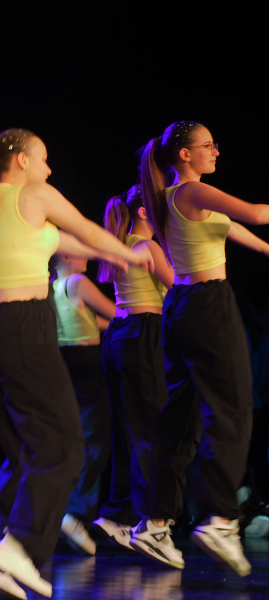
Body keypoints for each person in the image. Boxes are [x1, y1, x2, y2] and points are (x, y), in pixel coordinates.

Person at [0, 128, 153, 599]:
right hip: (21, 326)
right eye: (43, 159)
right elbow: (85, 229)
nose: (49, 169)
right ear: (22, 161)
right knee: (65, 444)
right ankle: (20, 548)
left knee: (26, 449)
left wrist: (110, 253)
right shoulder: (34, 194)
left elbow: (65, 241)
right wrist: (129, 253)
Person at [130, 120, 269, 577]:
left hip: (182, 307)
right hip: (208, 306)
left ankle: (155, 522)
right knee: (232, 408)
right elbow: (257, 212)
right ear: (184, 154)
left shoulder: (174, 197)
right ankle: (221, 517)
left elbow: (236, 230)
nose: (216, 151)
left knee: (180, 419)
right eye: (207, 145)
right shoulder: (192, 190)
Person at [92, 186, 173, 551]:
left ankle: (118, 514)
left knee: (126, 429)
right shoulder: (147, 247)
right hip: (144, 332)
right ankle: (148, 518)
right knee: (152, 428)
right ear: (144, 212)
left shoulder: (118, 244)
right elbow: (177, 290)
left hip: (119, 334)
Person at [51, 253, 115, 556]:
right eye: (79, 251)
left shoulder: (53, 285)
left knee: (68, 439)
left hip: (63, 361)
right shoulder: (77, 281)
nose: (87, 256)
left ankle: (56, 511)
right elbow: (114, 311)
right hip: (86, 363)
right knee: (94, 438)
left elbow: (89, 318)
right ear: (65, 256)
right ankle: (75, 515)